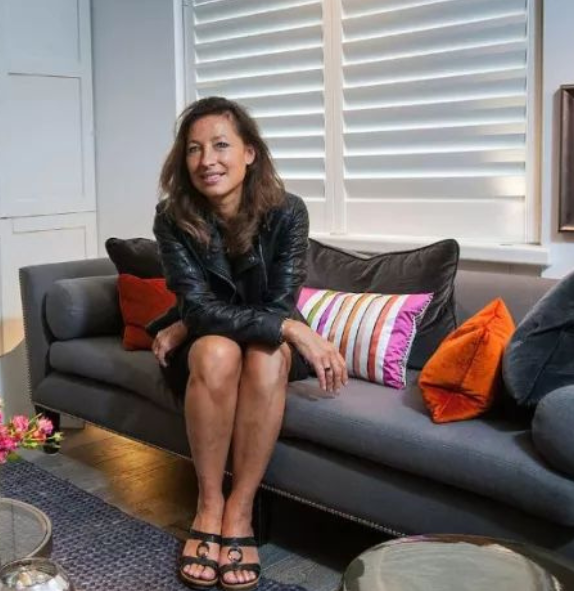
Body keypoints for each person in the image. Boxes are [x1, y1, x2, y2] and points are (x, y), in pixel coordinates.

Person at [149, 96, 348, 590]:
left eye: (221, 145)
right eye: (194, 149)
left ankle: (239, 512)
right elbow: (201, 311)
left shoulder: (287, 212)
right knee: (218, 350)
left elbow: (278, 302)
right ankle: (208, 505)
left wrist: (276, 326)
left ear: (250, 153)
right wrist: (292, 329)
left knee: (264, 358)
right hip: (212, 348)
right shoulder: (172, 217)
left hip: (263, 348)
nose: (207, 160)